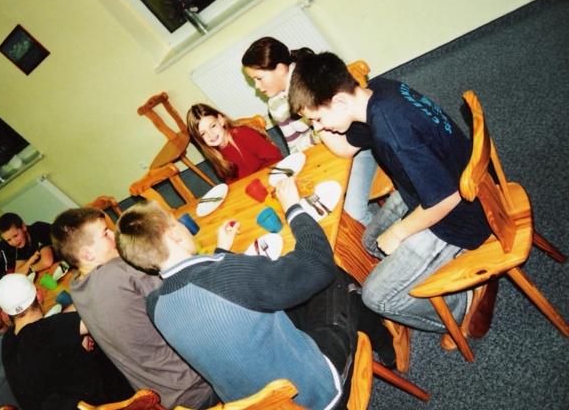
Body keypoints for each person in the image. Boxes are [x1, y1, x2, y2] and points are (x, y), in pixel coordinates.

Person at [115, 179, 395, 409]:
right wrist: (293, 208)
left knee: (284, 294)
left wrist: (221, 252)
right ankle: (387, 346)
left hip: (253, 404)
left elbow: (208, 300)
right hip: (313, 395)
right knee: (333, 277)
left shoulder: (154, 305)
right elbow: (317, 263)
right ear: (173, 235)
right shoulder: (225, 274)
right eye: (176, 222)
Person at [288, 51, 498, 346]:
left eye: (318, 119)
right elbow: (345, 149)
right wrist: (314, 113)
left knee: (376, 297)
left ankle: (464, 306)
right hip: (441, 185)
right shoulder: (378, 91)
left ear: (340, 101)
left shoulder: (392, 132)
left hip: (460, 215)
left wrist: (400, 232)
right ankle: (429, 267)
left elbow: (447, 199)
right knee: (371, 243)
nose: (318, 128)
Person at [51, 207, 214, 409]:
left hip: (161, 397)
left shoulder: (77, 286)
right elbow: (190, 295)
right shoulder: (121, 271)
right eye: (105, 233)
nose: (114, 235)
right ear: (86, 253)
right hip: (198, 388)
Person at [242, 37, 378, 225]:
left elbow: (344, 124)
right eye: (253, 81)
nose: (257, 87)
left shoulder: (313, 77)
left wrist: (307, 142)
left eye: (259, 79)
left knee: (351, 213)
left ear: (280, 69)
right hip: (325, 154)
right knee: (313, 208)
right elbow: (293, 145)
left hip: (356, 145)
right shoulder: (275, 104)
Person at [0, 273, 134, 410]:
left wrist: (75, 335)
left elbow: (52, 333)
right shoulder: (45, 331)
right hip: (101, 404)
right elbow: (96, 318)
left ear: (5, 315)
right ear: (39, 295)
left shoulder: (8, 340)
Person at [186, 103, 283, 184]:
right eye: (203, 133)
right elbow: (232, 182)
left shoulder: (244, 134)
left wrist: (261, 180)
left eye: (213, 126)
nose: (210, 134)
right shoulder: (216, 155)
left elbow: (276, 158)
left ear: (221, 120)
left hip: (271, 177)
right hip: (248, 188)